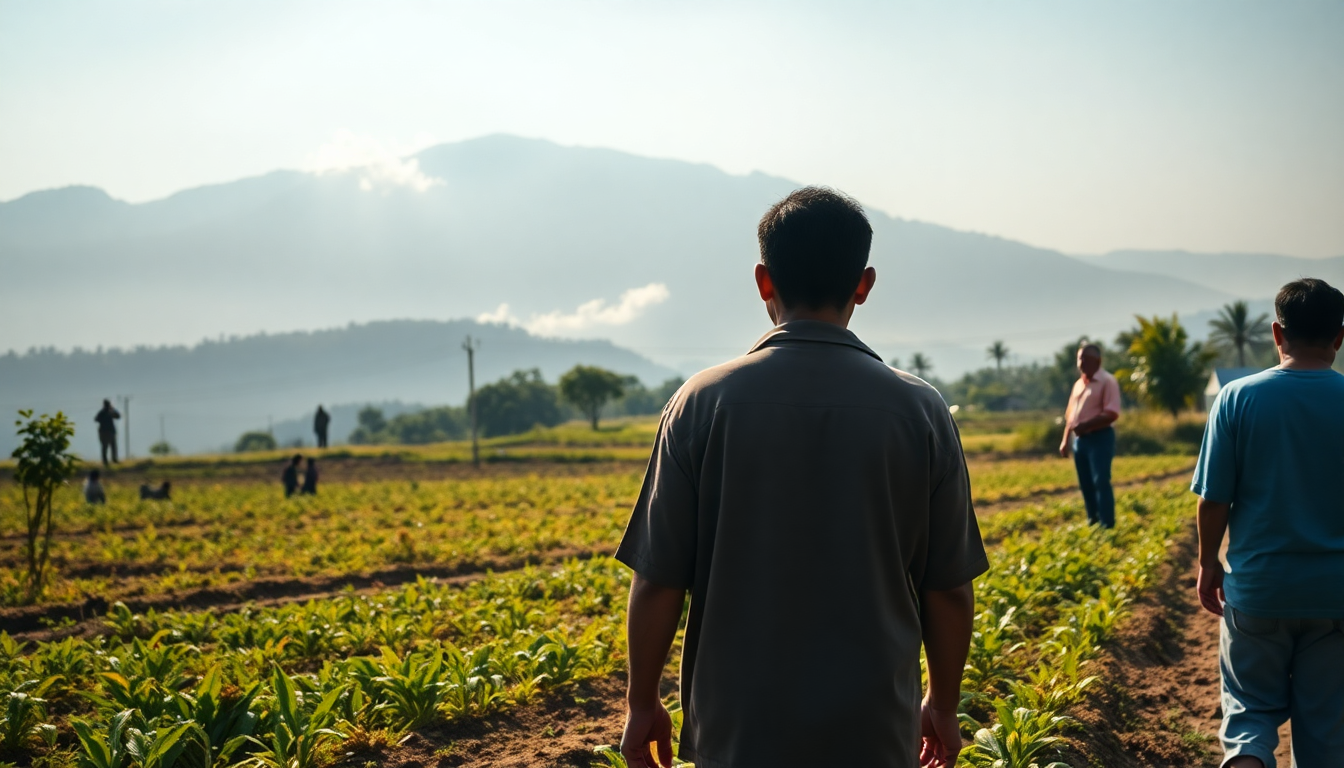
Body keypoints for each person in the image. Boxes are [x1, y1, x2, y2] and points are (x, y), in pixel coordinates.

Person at [616, 187, 987, 768]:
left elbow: (658, 580)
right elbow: (948, 590)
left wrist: (642, 703)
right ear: (863, 285)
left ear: (764, 282)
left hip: (737, 729)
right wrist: (941, 701)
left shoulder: (701, 403)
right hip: (874, 729)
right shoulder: (921, 412)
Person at [1192, 278, 1344, 768]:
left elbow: (1214, 500)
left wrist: (1208, 564)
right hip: (1335, 596)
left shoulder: (1237, 399)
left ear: (1278, 334)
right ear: (1340, 337)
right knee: (1327, 733)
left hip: (1259, 591)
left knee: (1251, 717)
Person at [1058, 343, 1122, 528]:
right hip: (1080, 441)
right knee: (1085, 482)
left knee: (1100, 480)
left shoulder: (1107, 381)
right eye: (1080, 359)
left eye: (1086, 359)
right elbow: (1070, 417)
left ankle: (1107, 523)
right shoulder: (1078, 384)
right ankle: (1092, 520)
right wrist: (1065, 441)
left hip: (1100, 437)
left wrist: (1086, 424)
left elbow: (1112, 413)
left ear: (1098, 361)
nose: (1081, 363)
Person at [95, 399, 121, 467]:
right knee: (108, 446)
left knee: (109, 446)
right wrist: (112, 410)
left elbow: (118, 416)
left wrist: (112, 410)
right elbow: (97, 419)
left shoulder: (104, 412)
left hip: (106, 431)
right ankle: (109, 460)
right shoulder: (105, 412)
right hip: (106, 431)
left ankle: (110, 460)